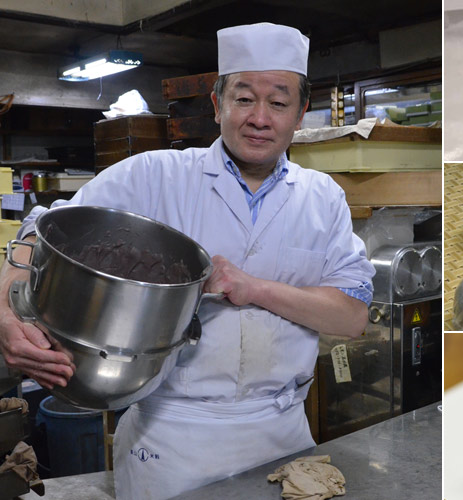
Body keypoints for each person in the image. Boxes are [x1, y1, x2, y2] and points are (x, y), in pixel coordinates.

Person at [0, 22, 375, 499]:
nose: (260, 117)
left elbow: (352, 315)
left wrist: (253, 287)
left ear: (301, 113)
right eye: (243, 99)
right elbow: (43, 226)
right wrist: (5, 314)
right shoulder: (156, 176)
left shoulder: (323, 198)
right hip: (171, 437)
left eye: (278, 103)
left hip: (283, 434)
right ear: (218, 105)